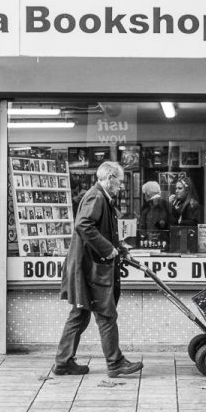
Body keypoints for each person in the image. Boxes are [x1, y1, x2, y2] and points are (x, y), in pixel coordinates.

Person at [53, 161, 143, 377]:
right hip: (89, 268)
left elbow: (105, 232)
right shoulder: (96, 197)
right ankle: (115, 363)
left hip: (88, 266)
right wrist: (107, 249)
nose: (121, 186)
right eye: (119, 181)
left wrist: (120, 249)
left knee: (80, 314)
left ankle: (63, 362)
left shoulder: (102, 198)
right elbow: (83, 225)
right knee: (106, 313)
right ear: (109, 178)